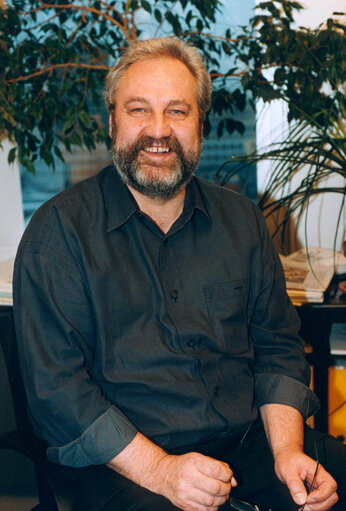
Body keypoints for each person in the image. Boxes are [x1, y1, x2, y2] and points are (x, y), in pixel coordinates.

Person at [13, 37, 345, 511]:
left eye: (177, 111)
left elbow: (277, 347)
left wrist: (288, 450)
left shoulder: (243, 221)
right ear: (112, 122)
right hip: (128, 462)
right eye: (138, 110)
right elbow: (57, 392)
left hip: (254, 441)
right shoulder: (58, 234)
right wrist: (162, 471)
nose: (158, 131)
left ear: (201, 126)